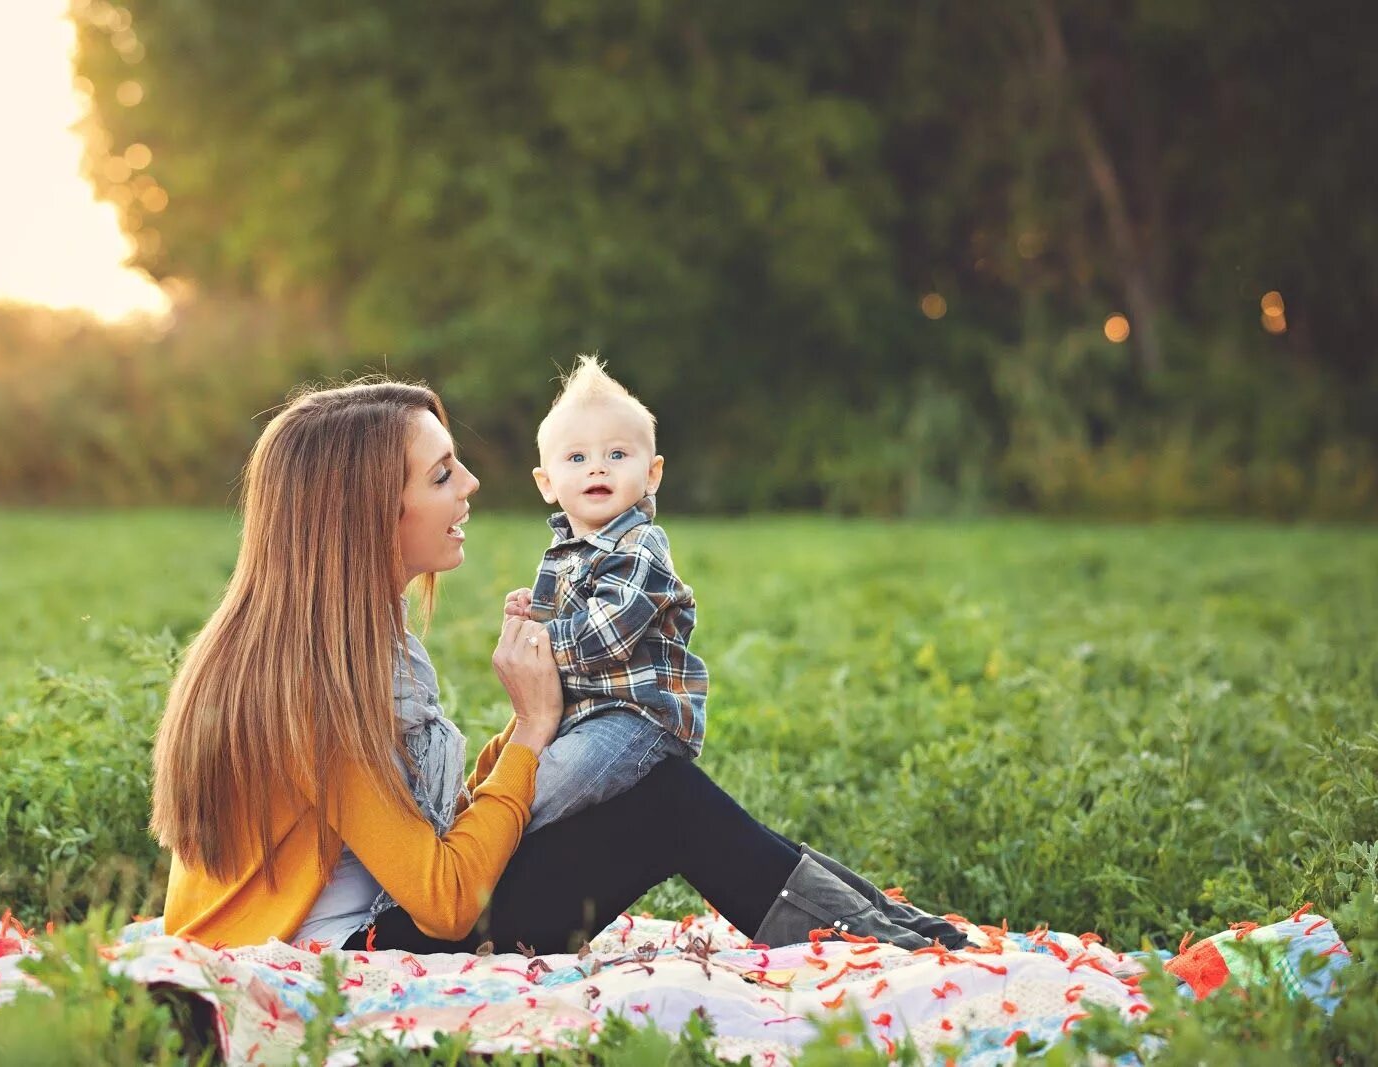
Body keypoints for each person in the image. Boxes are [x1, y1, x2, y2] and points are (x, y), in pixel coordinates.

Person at [151, 379, 967, 955]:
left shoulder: (340, 642)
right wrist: (535, 730)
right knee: (666, 803)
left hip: (388, 918)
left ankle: (878, 923)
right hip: (364, 952)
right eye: (441, 474)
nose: (470, 484)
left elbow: (416, 832)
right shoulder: (321, 687)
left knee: (659, 794)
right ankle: (873, 940)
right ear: (368, 511)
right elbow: (443, 901)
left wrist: (525, 735)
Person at [501, 356, 708, 833]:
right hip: (580, 716)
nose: (597, 467)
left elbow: (609, 635)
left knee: (542, 791)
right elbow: (562, 619)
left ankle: (480, 864)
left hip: (636, 718)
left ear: (652, 474)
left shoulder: (641, 545)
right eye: (577, 458)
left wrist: (538, 644)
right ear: (547, 483)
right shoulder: (563, 552)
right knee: (516, 778)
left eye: (617, 455)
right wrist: (530, 616)